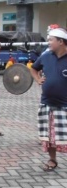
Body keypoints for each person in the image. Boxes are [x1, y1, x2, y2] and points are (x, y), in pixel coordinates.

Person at [30, 28, 67, 172]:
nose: (48, 42)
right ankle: (52, 160)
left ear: (61, 41)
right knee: (50, 135)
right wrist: (38, 79)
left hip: (65, 106)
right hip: (47, 104)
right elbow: (33, 69)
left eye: (51, 39)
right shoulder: (45, 56)